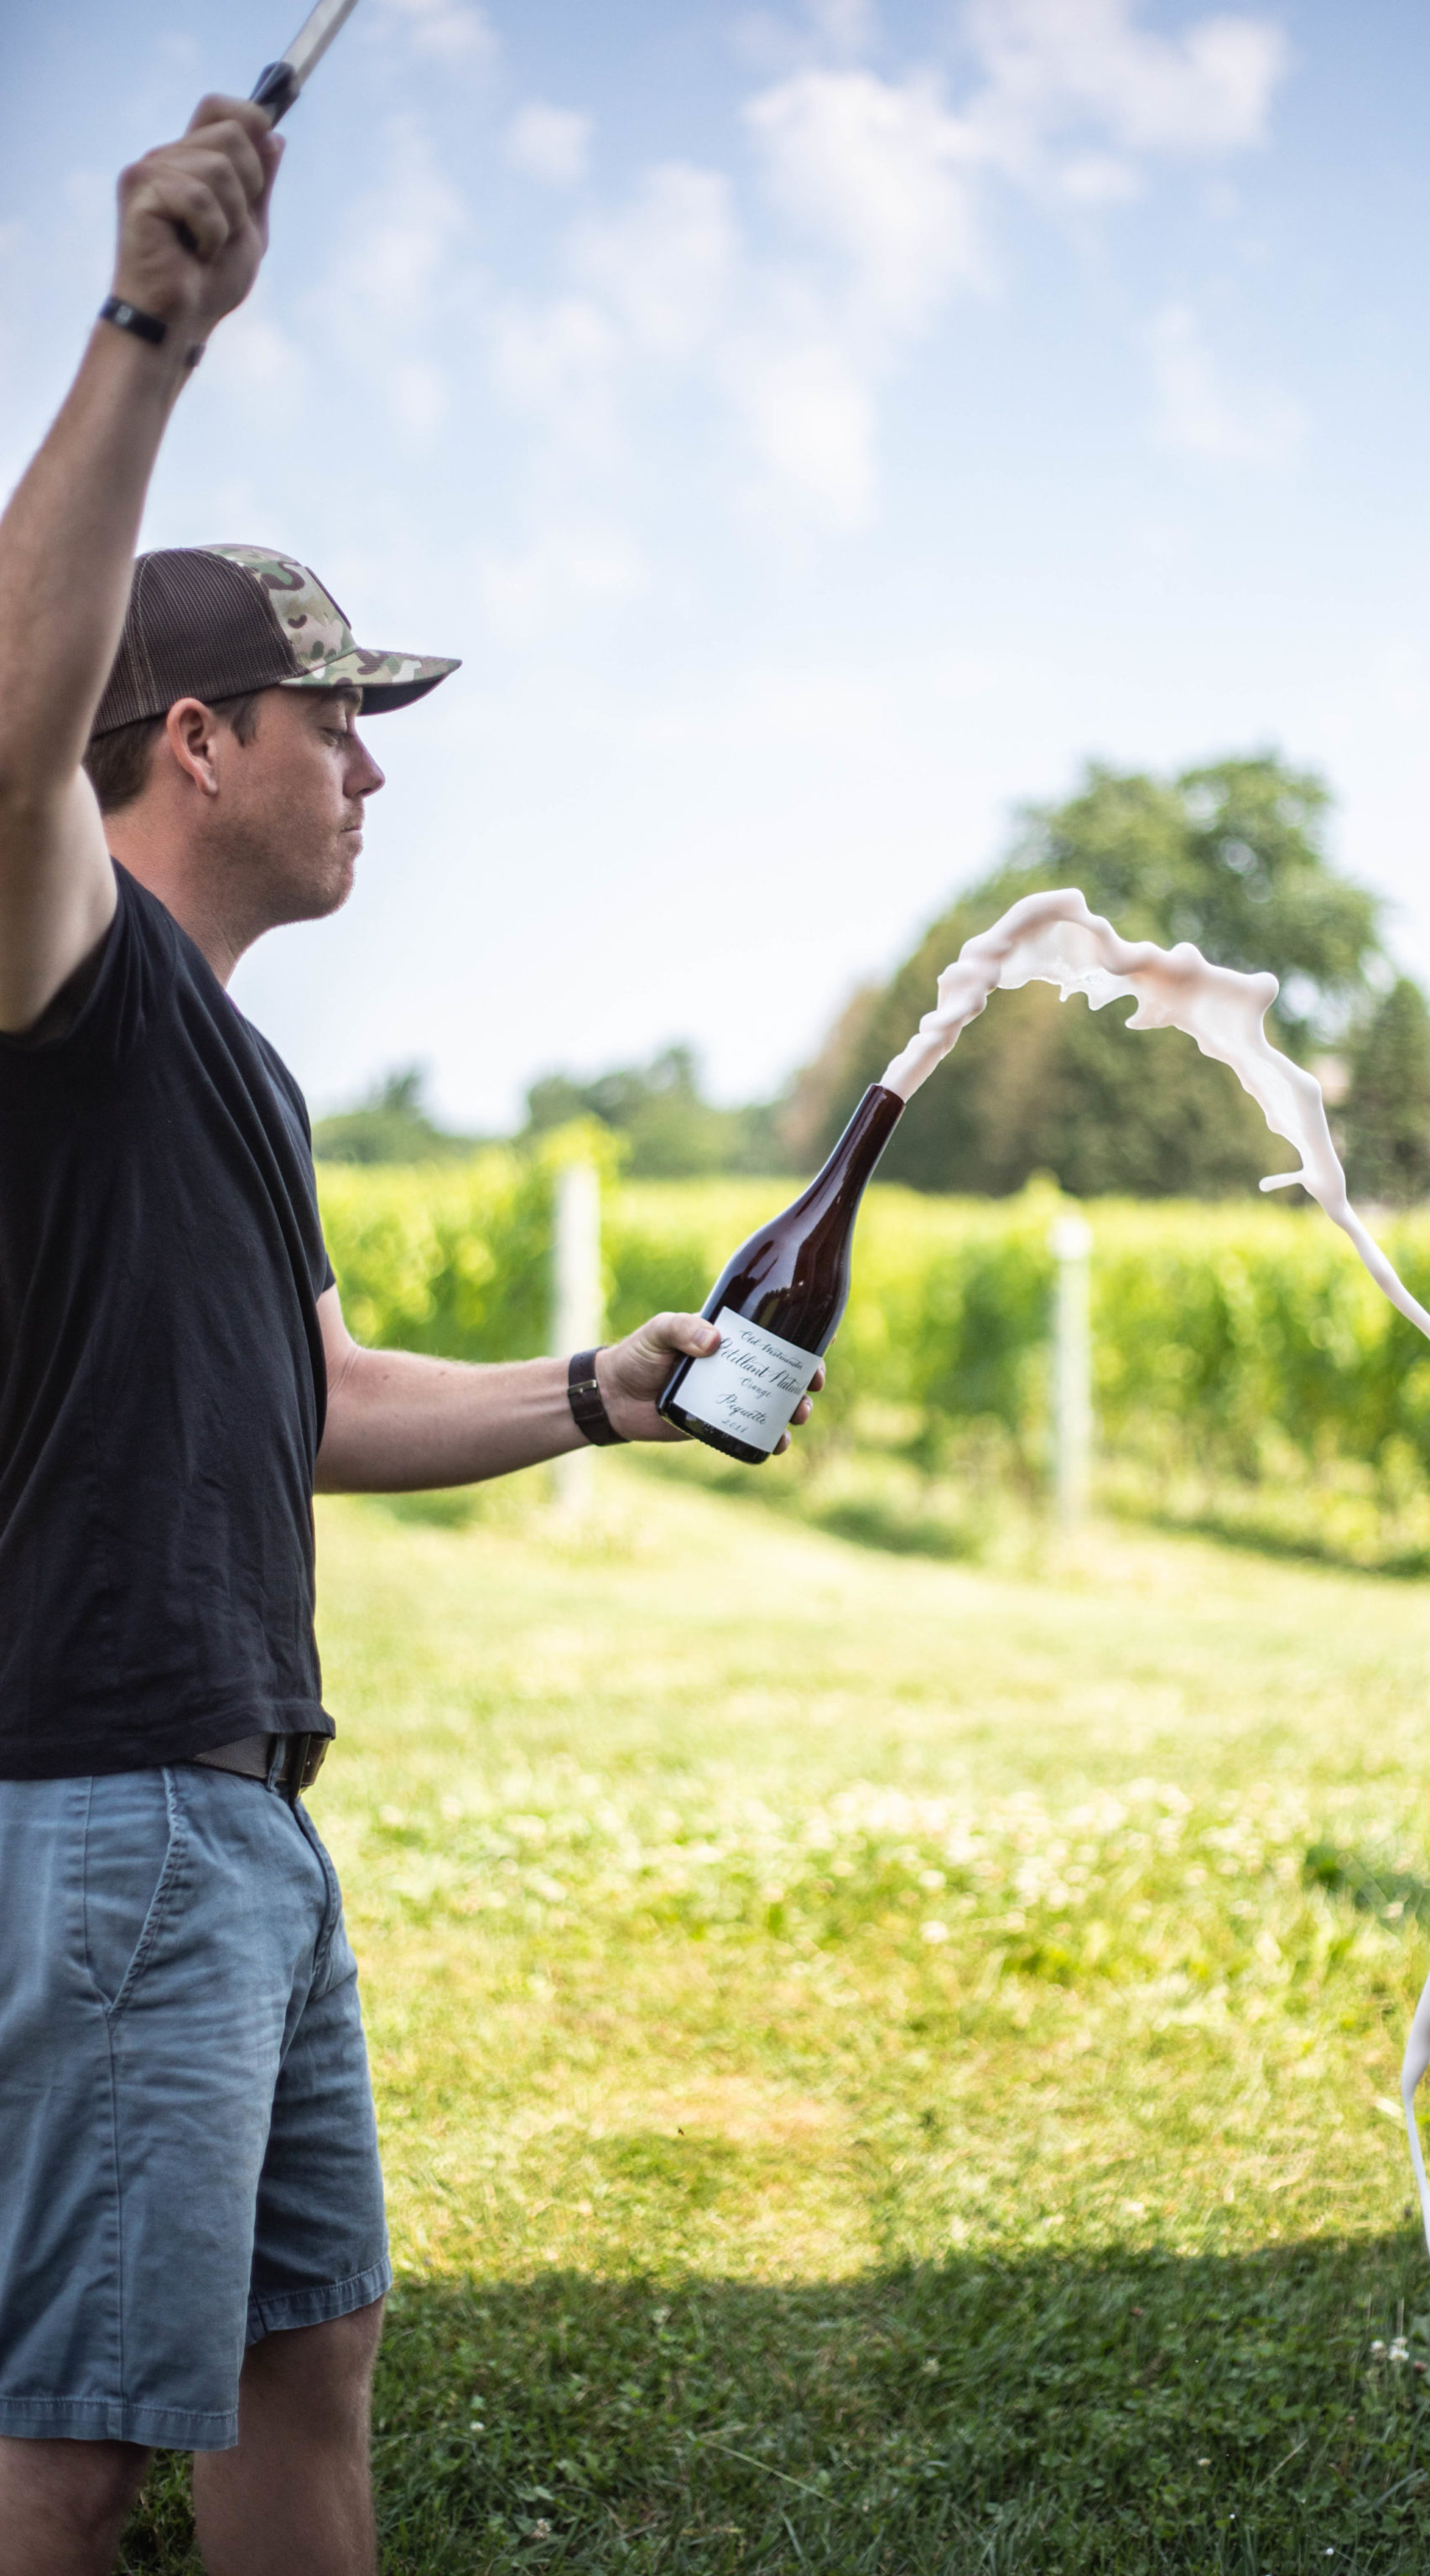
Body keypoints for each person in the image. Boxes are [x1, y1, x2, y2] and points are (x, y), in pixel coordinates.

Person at [0, 95, 819, 2576]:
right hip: (112, 1792)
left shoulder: (228, 1058)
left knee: (297, 2371)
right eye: (337, 716)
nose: (373, 769)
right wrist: (153, 332)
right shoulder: (61, 969)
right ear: (194, 742)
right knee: (63, 2449)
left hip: (243, 1811)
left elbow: (325, 1401)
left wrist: (606, 1391)